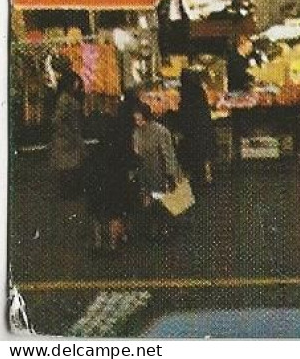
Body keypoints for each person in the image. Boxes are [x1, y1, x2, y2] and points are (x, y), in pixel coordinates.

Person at [85, 98, 137, 253]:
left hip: (97, 179)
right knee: (117, 211)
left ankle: (99, 241)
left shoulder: (96, 146)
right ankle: (114, 241)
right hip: (116, 179)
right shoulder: (121, 137)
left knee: (97, 211)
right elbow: (129, 158)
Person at [131, 99, 186, 240]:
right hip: (145, 172)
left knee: (160, 200)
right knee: (150, 201)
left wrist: (170, 173)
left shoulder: (160, 132)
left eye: (140, 119)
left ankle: (163, 228)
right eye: (136, 120)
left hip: (159, 172)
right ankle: (156, 228)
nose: (138, 123)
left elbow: (168, 154)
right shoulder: (137, 132)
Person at [174, 67, 216, 186]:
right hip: (203, 126)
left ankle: (192, 176)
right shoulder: (199, 91)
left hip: (191, 129)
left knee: (191, 152)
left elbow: (184, 112)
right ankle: (207, 176)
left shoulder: (185, 92)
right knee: (204, 152)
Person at [49, 65, 87, 198]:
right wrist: (68, 133)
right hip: (67, 138)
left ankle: (69, 192)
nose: (77, 85)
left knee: (70, 166)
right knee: (70, 166)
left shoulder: (66, 98)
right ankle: (70, 192)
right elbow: (58, 120)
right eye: (75, 82)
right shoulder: (65, 100)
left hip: (68, 137)